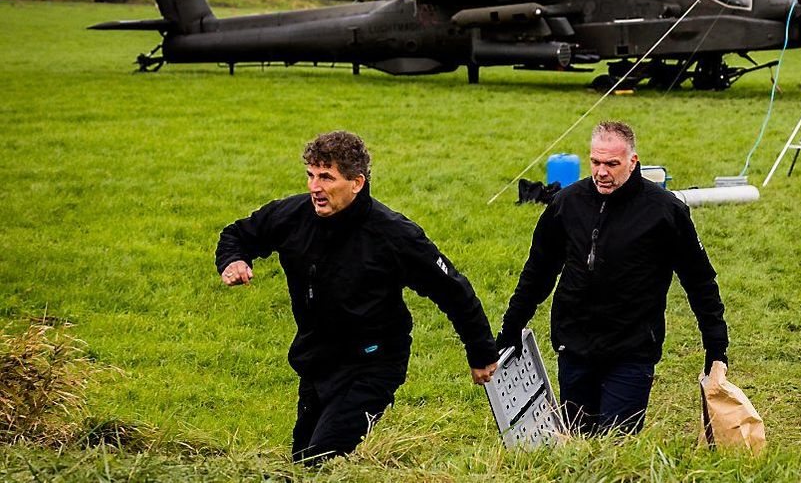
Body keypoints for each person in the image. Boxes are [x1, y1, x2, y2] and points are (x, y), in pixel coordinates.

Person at [215, 130, 498, 464]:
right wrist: (233, 260)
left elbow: (453, 290)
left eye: (326, 177)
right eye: (310, 175)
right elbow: (238, 233)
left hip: (373, 362)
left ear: (357, 182)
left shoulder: (393, 235)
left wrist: (480, 352)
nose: (314, 188)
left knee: (320, 458)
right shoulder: (292, 216)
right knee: (302, 459)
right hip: (316, 358)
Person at [495, 121, 728, 436]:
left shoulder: (665, 212)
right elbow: (537, 272)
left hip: (631, 351)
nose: (601, 171)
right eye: (595, 162)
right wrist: (510, 329)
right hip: (574, 347)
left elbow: (700, 281)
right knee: (578, 444)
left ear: (632, 162)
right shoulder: (567, 203)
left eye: (612, 164)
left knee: (614, 447)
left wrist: (716, 347)